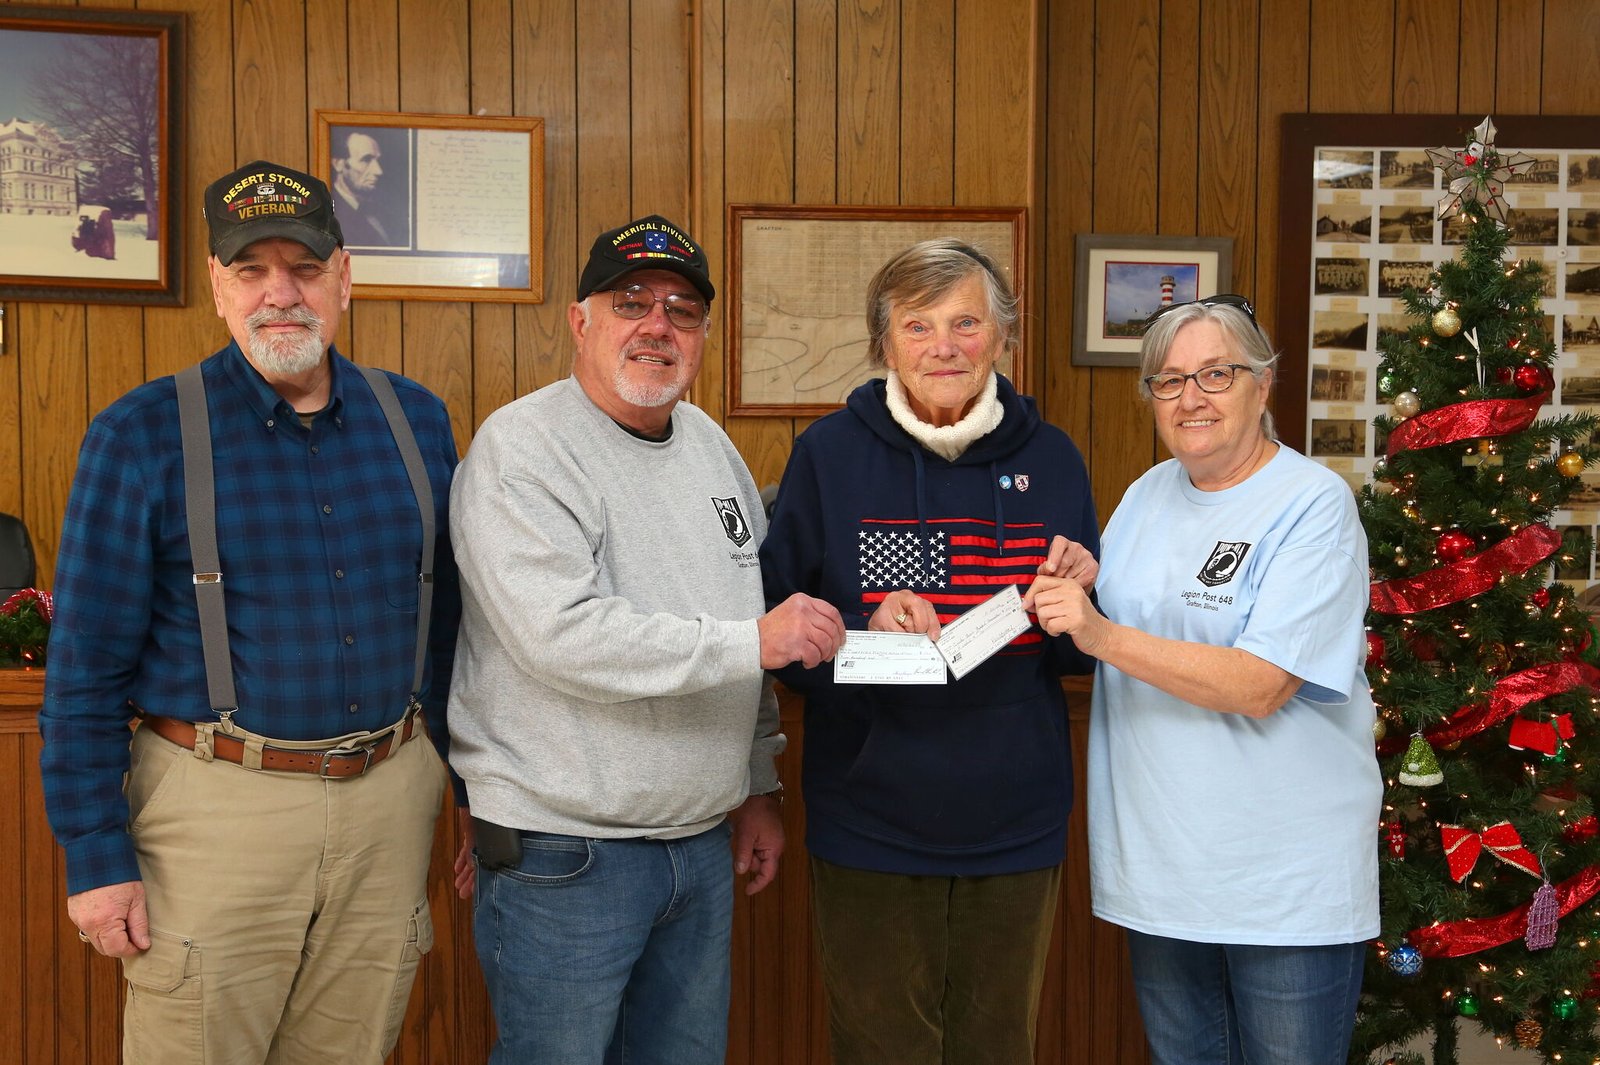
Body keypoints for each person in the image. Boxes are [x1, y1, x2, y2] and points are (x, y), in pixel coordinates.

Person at [39, 159, 464, 1064]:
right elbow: (83, 669)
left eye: (305, 268)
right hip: (214, 809)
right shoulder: (141, 433)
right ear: (217, 288)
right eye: (252, 271)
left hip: (390, 806)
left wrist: (467, 795)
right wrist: (95, 856)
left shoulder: (418, 420)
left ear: (345, 278)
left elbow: (451, 631)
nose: (282, 294)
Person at [447, 213, 846, 1064]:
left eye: (683, 310)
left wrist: (756, 782)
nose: (658, 325)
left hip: (699, 848)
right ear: (580, 320)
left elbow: (746, 606)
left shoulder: (710, 447)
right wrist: (752, 642)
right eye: (631, 302)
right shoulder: (522, 450)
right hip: (566, 855)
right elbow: (564, 636)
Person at [759, 238, 1101, 1065]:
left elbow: (1079, 657)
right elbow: (772, 627)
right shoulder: (827, 456)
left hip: (1016, 818)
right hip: (868, 813)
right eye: (918, 326)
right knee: (882, 1050)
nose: (943, 346)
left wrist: (1080, 604)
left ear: (1003, 337)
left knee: (997, 1048)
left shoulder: (1053, 458)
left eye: (965, 323)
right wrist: (864, 619)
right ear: (885, 344)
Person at [1024, 295, 1382, 1065]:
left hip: (1282, 885)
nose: (1191, 398)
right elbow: (1132, 629)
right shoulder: (1146, 496)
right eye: (1168, 380)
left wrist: (1100, 628)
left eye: (1215, 374)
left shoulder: (1313, 504)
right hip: (1163, 872)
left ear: (1264, 383)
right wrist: (1089, 585)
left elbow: (1261, 683)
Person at [331, 128, 404, 247]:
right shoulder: (330, 215)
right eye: (366, 159)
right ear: (339, 164)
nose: (378, 171)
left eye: (377, 160)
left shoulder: (386, 211)